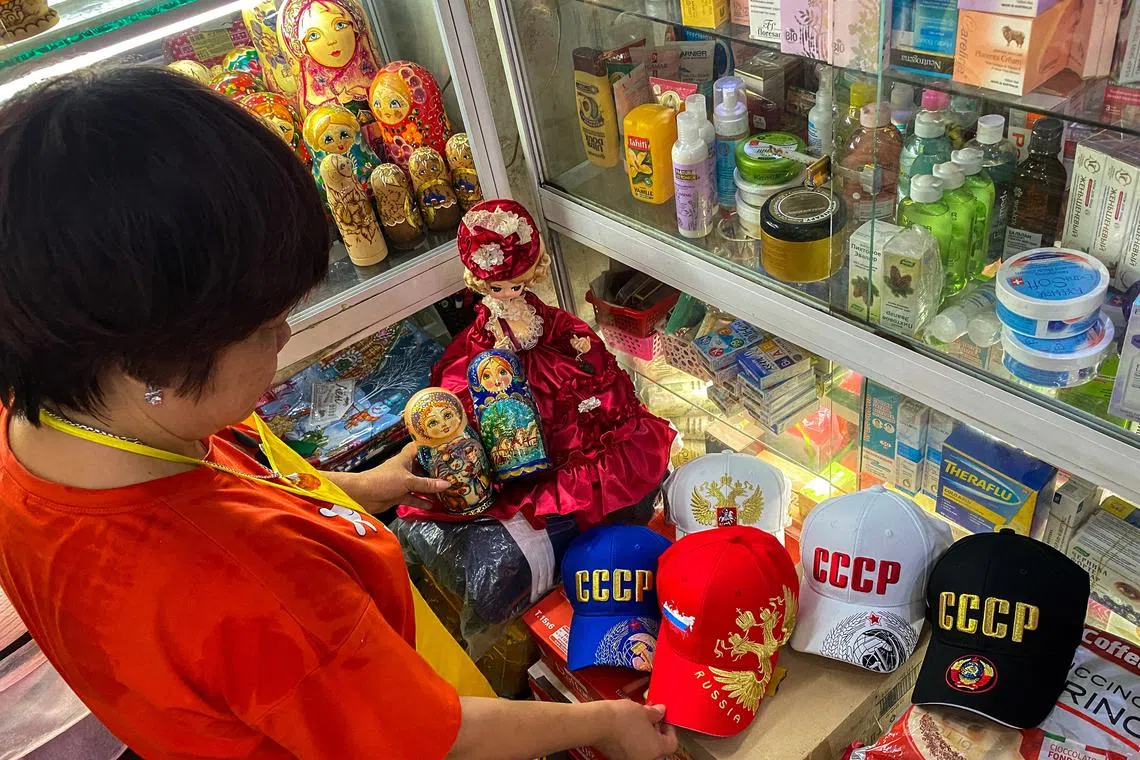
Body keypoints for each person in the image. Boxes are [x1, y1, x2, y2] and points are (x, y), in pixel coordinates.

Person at [0, 67, 678, 760]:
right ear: (152, 361)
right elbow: (430, 739)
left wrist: (356, 487)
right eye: (265, 327)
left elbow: (231, 489)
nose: (288, 337)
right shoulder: (250, 588)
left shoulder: (56, 425)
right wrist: (604, 724)